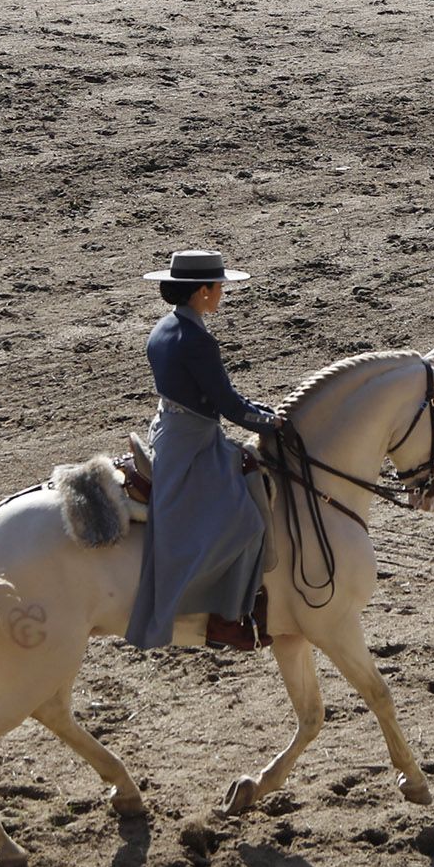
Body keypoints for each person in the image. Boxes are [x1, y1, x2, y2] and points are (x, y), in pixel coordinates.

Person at [126, 250, 277, 652]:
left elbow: (218, 396)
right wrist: (271, 423)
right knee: (247, 524)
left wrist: (264, 412)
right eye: (219, 286)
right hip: (192, 444)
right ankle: (226, 619)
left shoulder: (164, 328)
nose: (223, 292)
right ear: (202, 291)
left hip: (170, 429)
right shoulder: (198, 341)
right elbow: (226, 404)